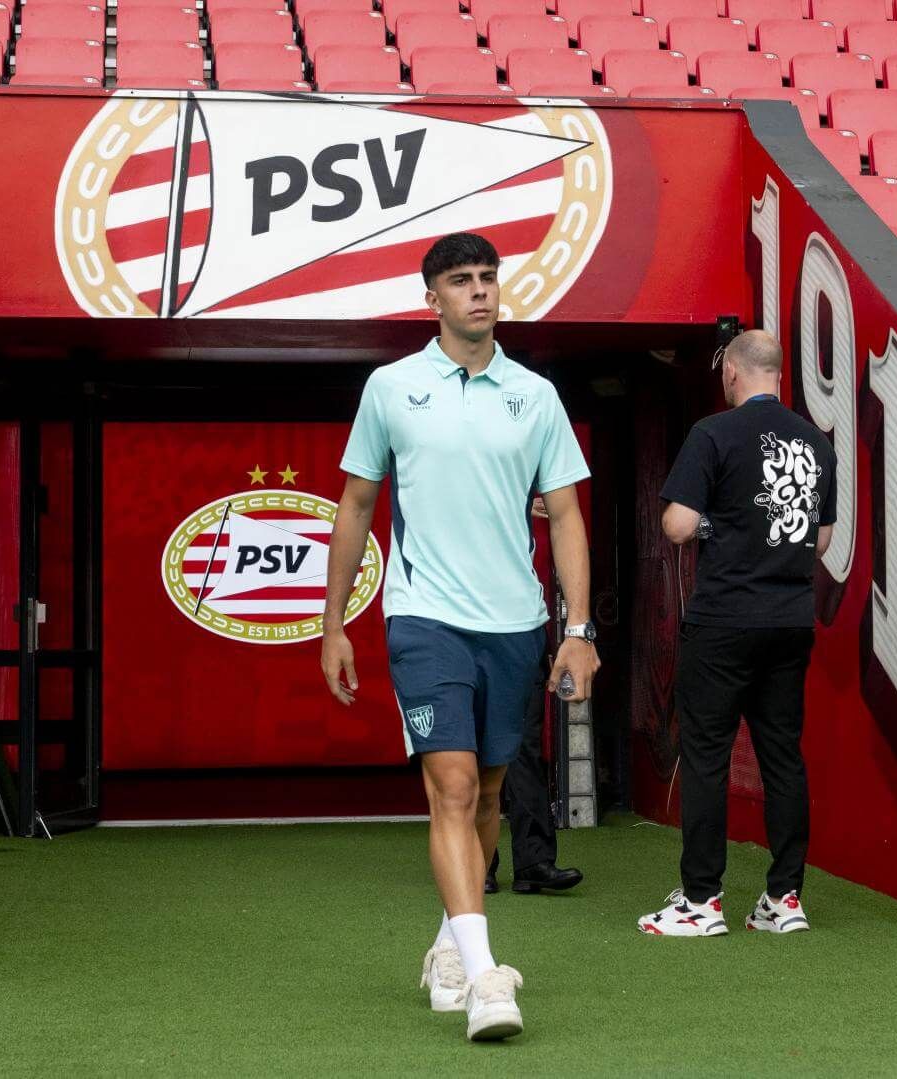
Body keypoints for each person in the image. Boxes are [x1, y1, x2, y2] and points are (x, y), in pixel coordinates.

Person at [320, 232, 599, 1042]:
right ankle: (484, 977)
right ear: (431, 299)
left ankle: (448, 944)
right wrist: (333, 621)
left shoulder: (535, 395)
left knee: (486, 800)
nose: (479, 292)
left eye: (488, 278)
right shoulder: (391, 386)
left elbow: (569, 515)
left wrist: (577, 629)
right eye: (461, 282)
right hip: (424, 614)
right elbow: (356, 506)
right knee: (451, 786)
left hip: (515, 622)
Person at [637, 329, 835, 939]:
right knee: (782, 755)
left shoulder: (713, 433)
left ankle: (702, 900)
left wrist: (718, 527)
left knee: (706, 755)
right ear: (779, 374)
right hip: (790, 618)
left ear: (731, 375)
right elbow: (822, 540)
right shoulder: (816, 441)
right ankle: (784, 899)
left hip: (725, 618)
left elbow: (676, 525)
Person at [485, 495, 585, 898]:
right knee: (473, 750)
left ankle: (533, 863)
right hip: (462, 631)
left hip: (523, 630)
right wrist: (516, 503)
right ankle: (478, 864)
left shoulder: (545, 512)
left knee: (524, 748)